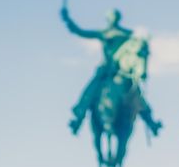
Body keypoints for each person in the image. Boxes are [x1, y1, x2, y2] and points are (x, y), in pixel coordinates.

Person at [61, 8, 161, 137]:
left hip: (122, 72)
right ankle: (78, 118)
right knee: (89, 92)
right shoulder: (105, 33)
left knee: (137, 96)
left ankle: (151, 121)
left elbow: (135, 52)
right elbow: (80, 32)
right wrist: (68, 20)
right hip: (106, 71)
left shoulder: (126, 34)